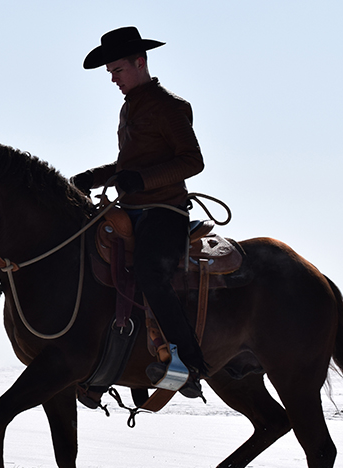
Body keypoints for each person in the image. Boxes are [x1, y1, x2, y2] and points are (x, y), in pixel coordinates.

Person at [71, 26, 206, 398]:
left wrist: (140, 181)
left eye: (118, 70)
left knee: (149, 272)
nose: (113, 79)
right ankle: (114, 361)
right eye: (110, 73)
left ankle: (187, 365)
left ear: (140, 62)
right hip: (130, 211)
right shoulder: (130, 106)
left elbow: (193, 161)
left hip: (164, 211)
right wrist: (93, 177)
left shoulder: (169, 106)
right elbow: (129, 164)